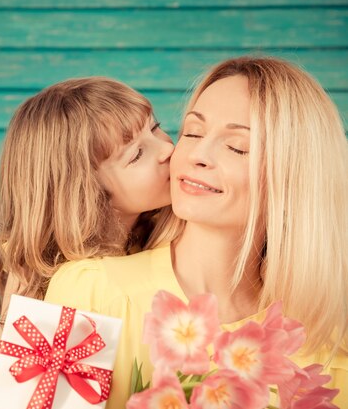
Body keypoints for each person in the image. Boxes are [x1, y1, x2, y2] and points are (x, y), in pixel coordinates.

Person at [45, 56, 348, 408]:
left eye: (237, 146)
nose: (196, 154)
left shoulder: (327, 351)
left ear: (294, 178)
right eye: (192, 132)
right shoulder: (87, 290)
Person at [0, 77, 179, 408]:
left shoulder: (161, 233)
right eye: (137, 154)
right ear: (87, 193)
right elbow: (15, 400)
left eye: (156, 128)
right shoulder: (70, 286)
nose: (168, 148)